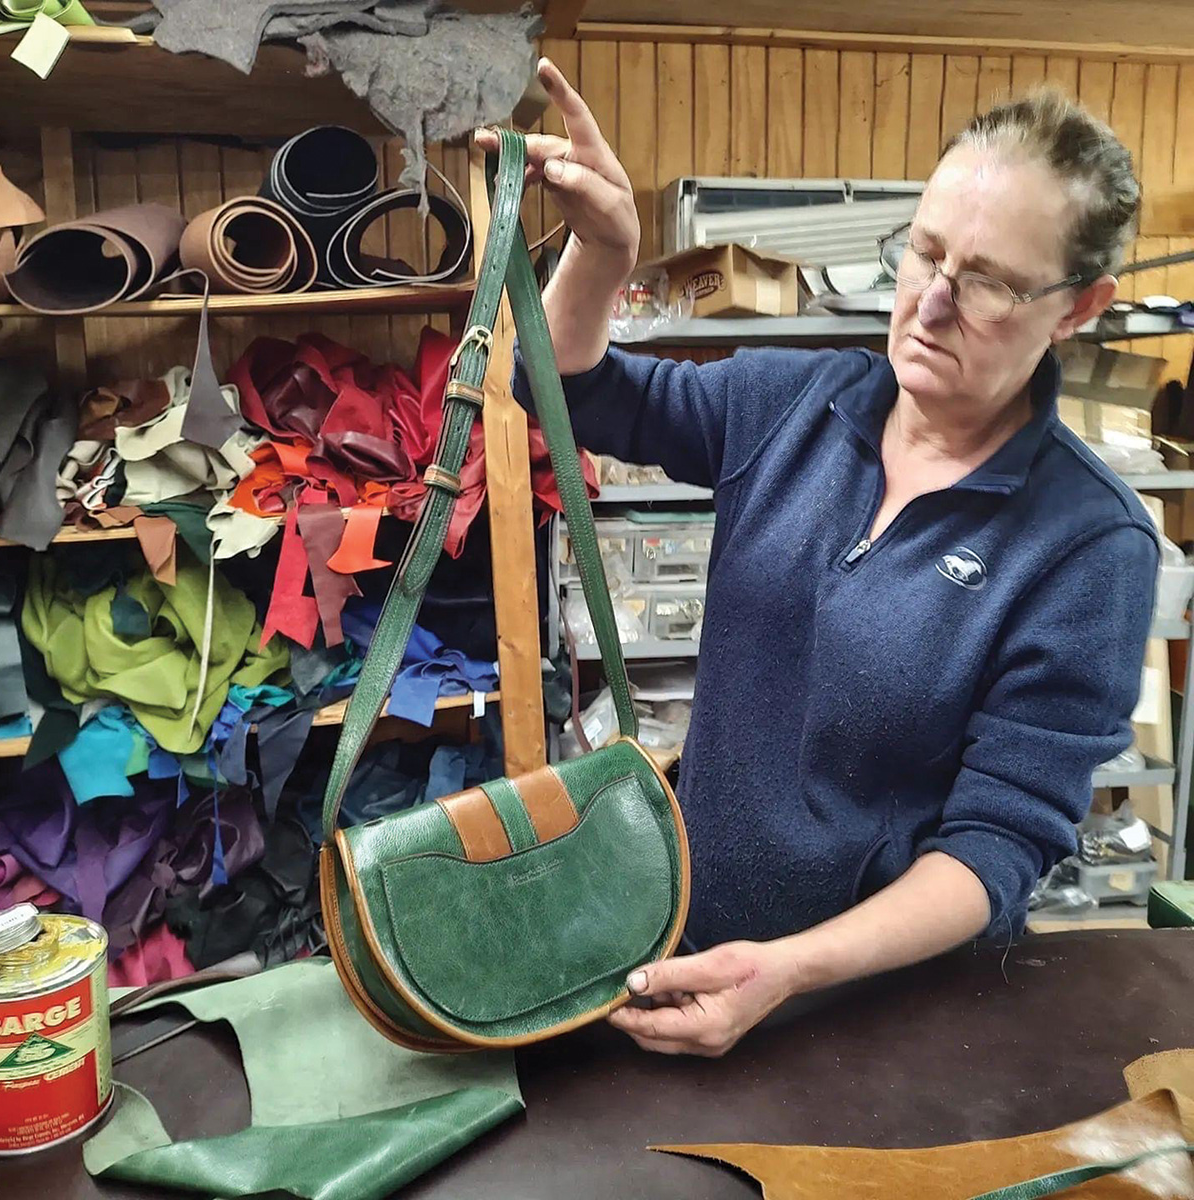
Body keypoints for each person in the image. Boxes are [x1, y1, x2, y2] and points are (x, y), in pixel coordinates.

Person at [477, 60, 1158, 1057]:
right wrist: (603, 248)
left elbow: (1000, 840)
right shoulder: (793, 403)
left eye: (992, 286)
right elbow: (572, 387)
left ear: (1079, 308)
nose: (928, 307)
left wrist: (793, 966)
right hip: (690, 935)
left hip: (886, 1012)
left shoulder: (1088, 546)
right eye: (922, 255)